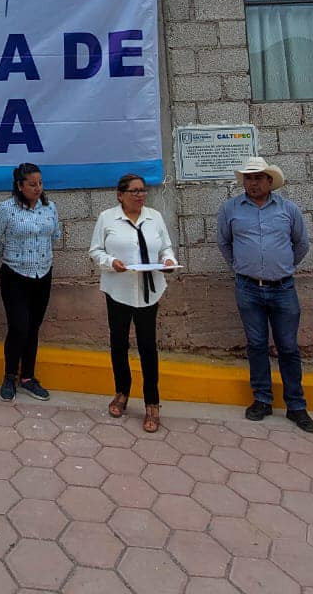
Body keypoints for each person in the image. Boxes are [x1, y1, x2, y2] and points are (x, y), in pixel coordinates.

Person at [216, 155, 313, 433]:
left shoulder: (289, 209)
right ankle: (261, 399)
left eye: (258, 177)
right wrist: (242, 266)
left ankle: (296, 405)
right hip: (247, 287)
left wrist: (281, 267)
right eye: (248, 178)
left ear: (270, 181)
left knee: (288, 347)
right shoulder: (230, 209)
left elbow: (301, 244)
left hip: (283, 288)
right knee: (256, 344)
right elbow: (225, 243)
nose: (253, 183)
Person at [89, 173, 178, 434]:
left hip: (149, 292)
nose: (140, 196)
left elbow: (166, 248)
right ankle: (121, 393)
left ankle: (152, 403)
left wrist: (169, 260)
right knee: (119, 343)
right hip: (118, 290)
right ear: (120, 195)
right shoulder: (107, 218)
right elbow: (96, 250)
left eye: (142, 191)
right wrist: (110, 263)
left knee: (148, 347)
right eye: (134, 191)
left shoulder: (154, 217)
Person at [0, 162, 61, 402]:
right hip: (15, 275)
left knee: (33, 328)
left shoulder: (49, 208)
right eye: (31, 184)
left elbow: (56, 236)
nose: (37, 188)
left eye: (40, 183)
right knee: (18, 327)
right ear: (19, 186)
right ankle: (10, 376)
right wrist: (16, 257)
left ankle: (28, 377)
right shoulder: (6, 209)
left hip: (43, 274)